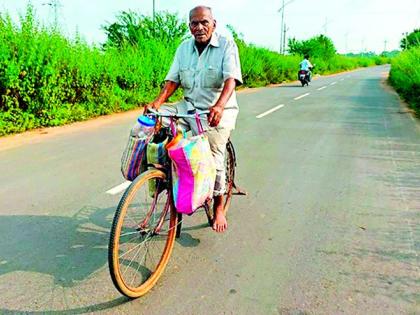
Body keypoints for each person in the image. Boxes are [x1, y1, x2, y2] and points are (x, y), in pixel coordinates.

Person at [146, 6, 242, 233]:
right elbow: (173, 80)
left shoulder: (226, 46)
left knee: (215, 157)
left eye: (204, 23)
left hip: (217, 110)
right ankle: (161, 176)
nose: (199, 28)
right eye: (194, 24)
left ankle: (219, 207)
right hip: (188, 107)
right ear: (189, 26)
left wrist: (219, 106)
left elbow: (231, 80)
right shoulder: (183, 49)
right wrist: (157, 103)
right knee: (156, 127)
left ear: (214, 24)